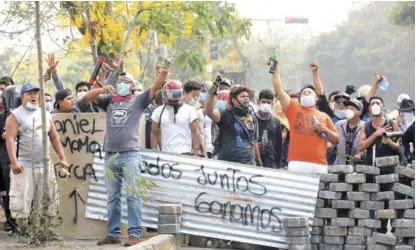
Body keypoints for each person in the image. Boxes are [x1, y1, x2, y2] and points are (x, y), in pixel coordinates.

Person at [84, 66, 168, 246]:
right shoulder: (109, 100)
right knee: (112, 196)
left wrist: (163, 72)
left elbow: (156, 85)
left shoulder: (138, 100)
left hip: (130, 153)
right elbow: (87, 97)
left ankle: (134, 234)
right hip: (110, 154)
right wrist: (102, 89)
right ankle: (113, 233)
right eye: (120, 81)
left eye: (126, 82)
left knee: (133, 195)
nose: (122, 84)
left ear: (132, 87)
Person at [5, 83, 68, 234]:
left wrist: (62, 158)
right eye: (29, 93)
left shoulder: (46, 114)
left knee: (48, 198)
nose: (33, 96)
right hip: (24, 165)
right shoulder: (15, 115)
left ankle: (45, 231)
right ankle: (24, 231)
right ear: (22, 97)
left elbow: (54, 138)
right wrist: (14, 162)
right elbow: (10, 140)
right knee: (21, 203)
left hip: (45, 165)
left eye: (35, 93)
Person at [271, 60, 339, 174]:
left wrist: (325, 130)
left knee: (319, 192)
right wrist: (275, 70)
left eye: (309, 92)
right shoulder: (293, 108)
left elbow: (336, 139)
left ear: (316, 98)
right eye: (304, 93)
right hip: (297, 163)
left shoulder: (324, 116)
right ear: (299, 98)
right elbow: (278, 89)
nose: (306, 94)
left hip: (319, 164)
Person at [206, 84, 260, 166]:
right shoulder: (226, 115)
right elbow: (210, 112)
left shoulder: (252, 118)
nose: (246, 98)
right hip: (228, 164)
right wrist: (212, 94)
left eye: (247, 96)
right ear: (234, 100)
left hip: (248, 164)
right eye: (243, 96)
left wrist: (260, 163)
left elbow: (254, 141)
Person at [151, 80, 200, 156]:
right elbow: (154, 133)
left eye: (175, 94)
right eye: (169, 94)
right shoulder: (158, 112)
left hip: (185, 153)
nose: (172, 96)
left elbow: (195, 132)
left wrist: (197, 151)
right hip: (166, 154)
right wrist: (154, 152)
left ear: (181, 93)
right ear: (164, 94)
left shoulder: (190, 110)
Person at [359, 96, 400, 166]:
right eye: (372, 104)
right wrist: (375, 134)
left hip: (389, 167)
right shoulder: (365, 126)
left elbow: (398, 146)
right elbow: (360, 147)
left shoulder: (392, 123)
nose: (375, 105)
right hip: (371, 167)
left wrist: (389, 142)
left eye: (378, 103)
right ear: (369, 108)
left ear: (383, 107)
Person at [0, 77, 16, 232]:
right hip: (3, 158)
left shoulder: (20, 114)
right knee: (5, 192)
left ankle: (15, 223)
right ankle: (10, 221)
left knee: (14, 191)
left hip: (16, 158)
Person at [333, 99, 365, 165]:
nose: (348, 110)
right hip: (340, 165)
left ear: (360, 112)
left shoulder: (365, 126)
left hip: (357, 166)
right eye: (347, 108)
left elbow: (368, 146)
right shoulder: (339, 124)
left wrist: (361, 155)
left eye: (352, 108)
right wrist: (330, 145)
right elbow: (333, 141)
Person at [255, 89, 282, 168]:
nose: (266, 104)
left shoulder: (276, 122)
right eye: (263, 102)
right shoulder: (252, 119)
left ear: (272, 103)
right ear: (258, 102)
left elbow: (279, 146)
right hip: (254, 161)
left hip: (271, 162)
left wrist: (279, 164)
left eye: (268, 102)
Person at [182, 81, 205, 156]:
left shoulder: (199, 110)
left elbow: (202, 132)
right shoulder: (180, 110)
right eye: (194, 95)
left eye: (198, 96)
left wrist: (203, 152)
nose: (196, 98)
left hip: (198, 151)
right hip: (187, 150)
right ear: (185, 94)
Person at [397, 99, 415, 163]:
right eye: (403, 112)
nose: (405, 115)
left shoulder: (413, 127)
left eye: (409, 112)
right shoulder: (397, 126)